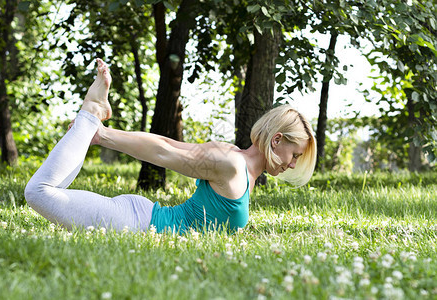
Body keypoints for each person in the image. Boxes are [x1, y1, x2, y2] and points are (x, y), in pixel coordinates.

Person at [24, 59, 317, 234]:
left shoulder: (240, 166)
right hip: (135, 223)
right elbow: (164, 151)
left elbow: (169, 143)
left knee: (45, 193)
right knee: (38, 193)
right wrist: (101, 135)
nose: (292, 164)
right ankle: (91, 113)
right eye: (294, 156)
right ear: (276, 140)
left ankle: (94, 117)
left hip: (143, 216)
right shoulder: (230, 165)